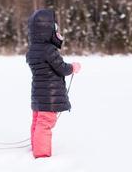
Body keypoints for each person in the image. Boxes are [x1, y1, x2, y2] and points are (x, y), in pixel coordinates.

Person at [26, 9, 81, 158]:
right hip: (49, 96)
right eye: (54, 28)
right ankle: (42, 154)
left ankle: (36, 147)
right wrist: (73, 67)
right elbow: (61, 68)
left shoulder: (32, 50)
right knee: (45, 123)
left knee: (37, 121)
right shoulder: (49, 50)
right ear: (46, 30)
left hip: (38, 94)